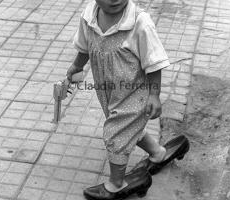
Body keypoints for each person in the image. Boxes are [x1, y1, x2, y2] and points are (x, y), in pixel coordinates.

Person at [66, 0, 189, 199]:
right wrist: (77, 67)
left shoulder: (140, 22)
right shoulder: (89, 16)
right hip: (109, 93)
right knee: (128, 130)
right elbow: (84, 46)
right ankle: (158, 154)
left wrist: (154, 95)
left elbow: (154, 62)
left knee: (115, 134)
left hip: (136, 94)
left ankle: (116, 184)